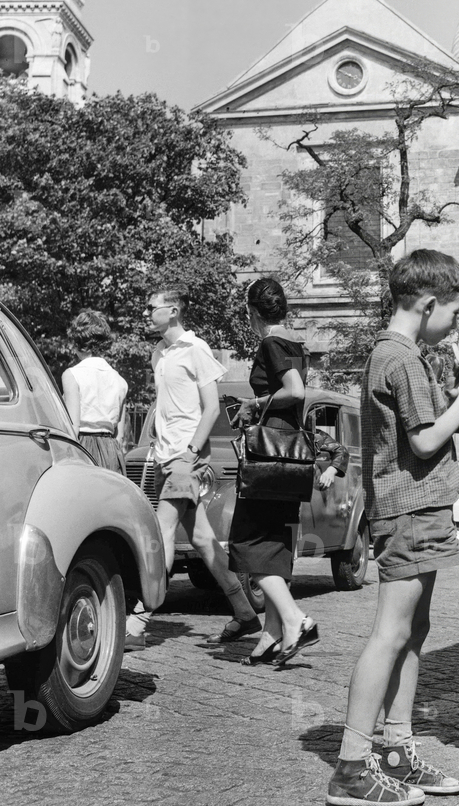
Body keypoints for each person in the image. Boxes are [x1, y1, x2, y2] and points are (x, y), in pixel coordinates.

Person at [326, 249, 459, 806]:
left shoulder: (401, 354)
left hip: (418, 508)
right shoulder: (399, 357)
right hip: (409, 510)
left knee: (414, 630)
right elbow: (424, 442)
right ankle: (351, 769)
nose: (454, 324)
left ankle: (397, 751)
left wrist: (457, 393)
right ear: (427, 304)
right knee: (391, 633)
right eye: (454, 312)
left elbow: (417, 428)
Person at [123, 287, 260, 652]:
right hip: (166, 456)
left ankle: (137, 620)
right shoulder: (159, 353)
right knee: (201, 540)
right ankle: (245, 613)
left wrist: (190, 450)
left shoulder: (196, 349)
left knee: (162, 529)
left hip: (187, 457)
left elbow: (211, 408)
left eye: (151, 307)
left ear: (173, 310)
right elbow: (168, 402)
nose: (146, 312)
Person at [231, 277, 319, 667]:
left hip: (269, 456)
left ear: (252, 313)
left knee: (247, 543)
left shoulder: (270, 342)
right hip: (290, 457)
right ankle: (272, 633)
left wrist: (255, 404)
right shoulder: (296, 343)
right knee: (275, 543)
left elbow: (295, 391)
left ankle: (296, 619)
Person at [62, 310, 129, 475]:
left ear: (78, 343)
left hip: (83, 447)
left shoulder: (72, 375)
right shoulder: (120, 380)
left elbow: (73, 428)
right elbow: (120, 436)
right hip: (112, 450)